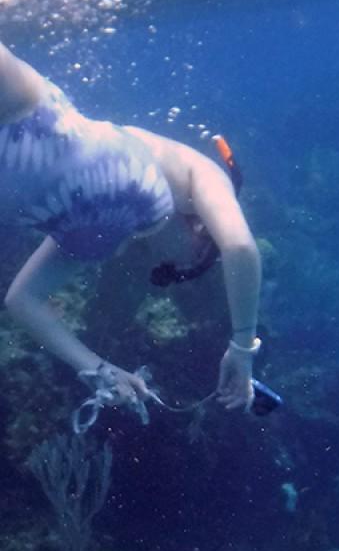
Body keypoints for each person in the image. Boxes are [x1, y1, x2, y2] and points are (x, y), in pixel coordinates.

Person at [0, 40, 262, 413]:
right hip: (41, 124)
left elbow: (22, 301)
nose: (168, 269)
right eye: (186, 268)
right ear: (202, 237)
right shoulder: (199, 174)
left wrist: (101, 370)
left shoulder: (104, 233)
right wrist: (242, 347)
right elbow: (239, 247)